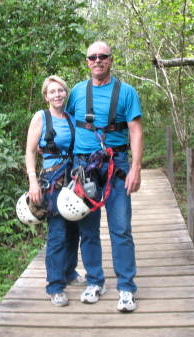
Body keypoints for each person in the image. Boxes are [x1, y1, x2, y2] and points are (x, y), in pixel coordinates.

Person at [66, 41, 143, 312]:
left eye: (103, 56)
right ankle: (95, 281)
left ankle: (126, 287)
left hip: (116, 165)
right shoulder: (76, 92)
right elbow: (66, 126)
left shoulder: (127, 92)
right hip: (83, 168)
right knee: (87, 229)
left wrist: (136, 167)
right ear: (87, 61)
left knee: (121, 228)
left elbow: (135, 130)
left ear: (110, 60)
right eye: (92, 57)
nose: (97, 60)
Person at [25, 75, 85, 307]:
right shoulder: (41, 117)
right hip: (51, 179)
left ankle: (69, 272)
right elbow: (30, 152)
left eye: (60, 90)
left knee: (74, 229)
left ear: (65, 93)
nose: (57, 94)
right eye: (52, 91)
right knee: (58, 232)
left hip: (72, 177)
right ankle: (55, 284)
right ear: (45, 96)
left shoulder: (71, 118)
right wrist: (32, 181)